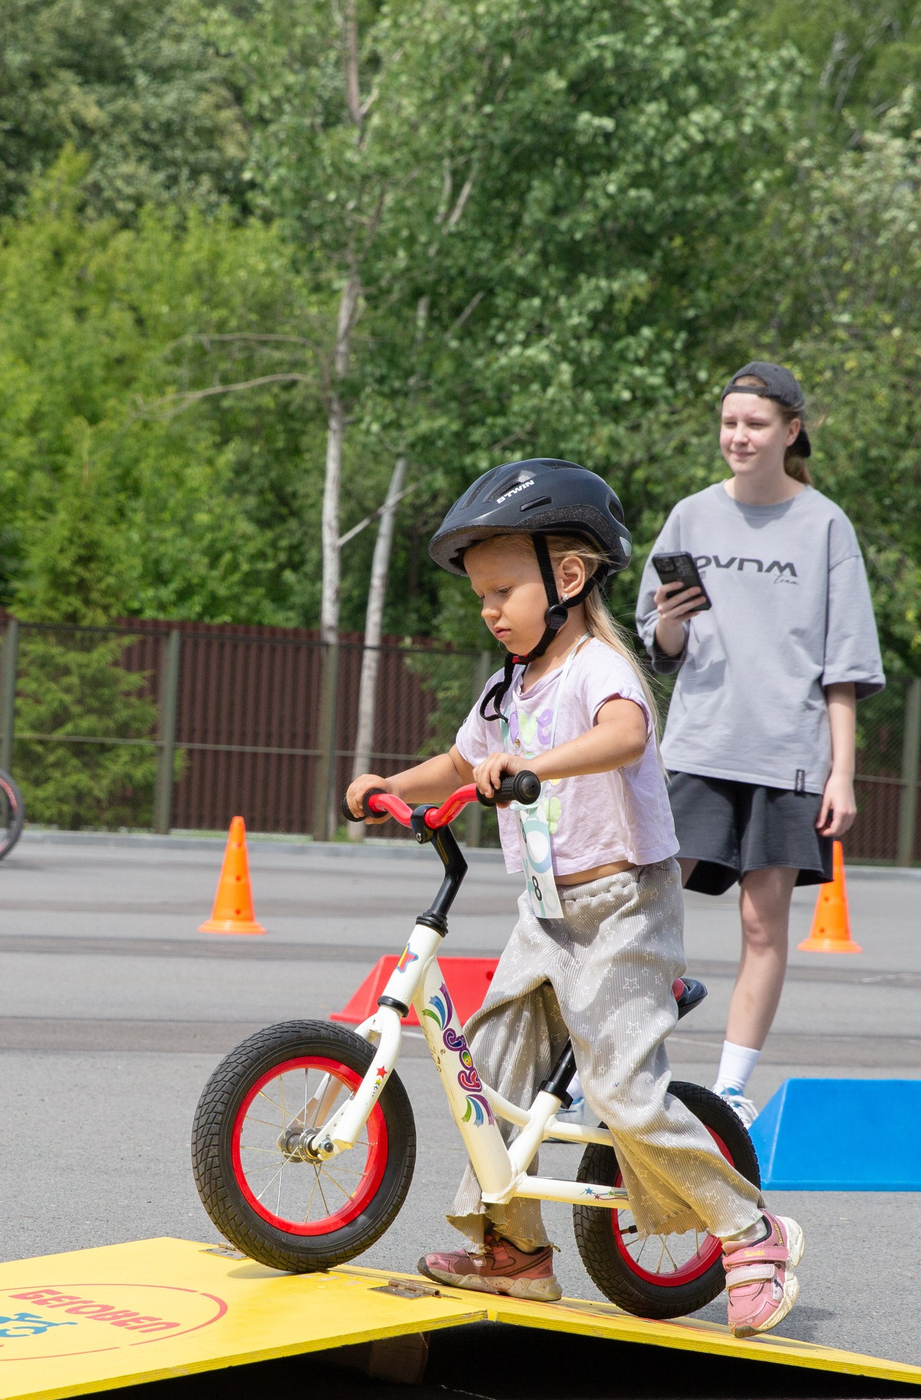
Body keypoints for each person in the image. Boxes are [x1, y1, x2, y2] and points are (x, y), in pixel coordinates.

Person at [343, 459, 806, 1338]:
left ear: (567, 576)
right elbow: (458, 759)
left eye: (503, 589)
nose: (488, 609)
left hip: (624, 905)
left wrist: (533, 766)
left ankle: (751, 1234)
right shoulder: (506, 686)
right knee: (490, 1061)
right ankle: (515, 1249)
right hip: (545, 911)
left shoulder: (600, 666)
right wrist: (384, 786)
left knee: (623, 1092)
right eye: (479, 593)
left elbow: (626, 736)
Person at [636, 362, 883, 1124]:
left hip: (788, 754)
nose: (738, 436)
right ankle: (615, 1057)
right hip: (701, 745)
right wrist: (671, 616)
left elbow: (843, 665)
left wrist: (842, 772)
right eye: (729, 422)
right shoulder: (691, 516)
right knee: (647, 909)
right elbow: (659, 642)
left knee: (760, 922)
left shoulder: (826, 524)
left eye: (755, 424)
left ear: (791, 430)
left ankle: (733, 1085)